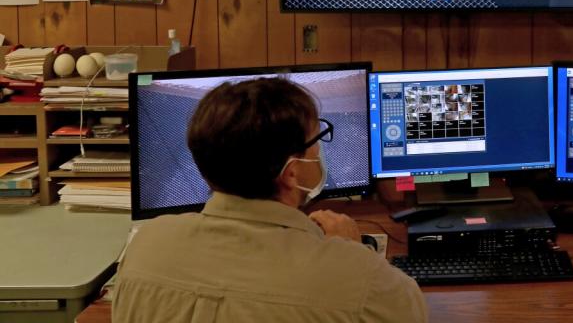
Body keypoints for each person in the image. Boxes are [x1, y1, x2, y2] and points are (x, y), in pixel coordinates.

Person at [113, 77, 427, 323]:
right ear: (291, 173)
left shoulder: (145, 246)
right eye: (317, 139)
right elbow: (411, 312)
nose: (321, 151)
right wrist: (354, 252)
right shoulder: (358, 277)